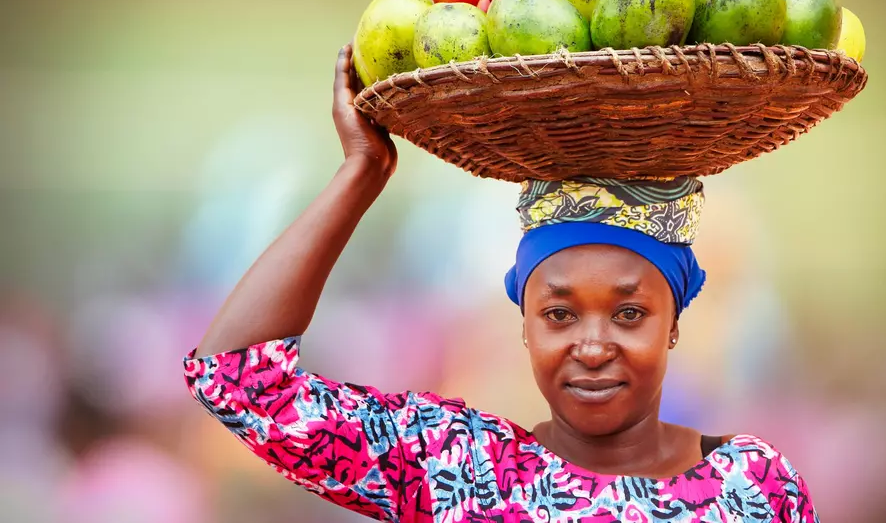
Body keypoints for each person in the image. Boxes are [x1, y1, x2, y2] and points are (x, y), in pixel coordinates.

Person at [183, 44, 819, 522]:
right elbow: (237, 378)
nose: (592, 347)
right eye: (559, 315)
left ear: (675, 323)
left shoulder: (755, 487)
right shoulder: (460, 467)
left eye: (629, 314)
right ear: (523, 325)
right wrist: (361, 173)